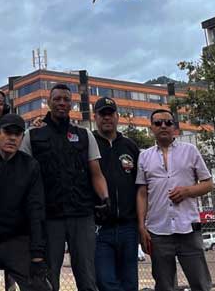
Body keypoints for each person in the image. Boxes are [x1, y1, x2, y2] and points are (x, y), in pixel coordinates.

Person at [20, 84, 110, 291]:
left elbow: (96, 173)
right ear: (49, 102)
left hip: (82, 214)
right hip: (49, 217)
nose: (62, 103)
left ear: (72, 104)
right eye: (57, 99)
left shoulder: (85, 135)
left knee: (88, 277)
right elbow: (23, 178)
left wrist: (105, 199)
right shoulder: (32, 135)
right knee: (49, 278)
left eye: (66, 99)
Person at [135, 108, 213, 291]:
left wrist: (188, 191)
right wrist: (141, 225)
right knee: (164, 285)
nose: (163, 126)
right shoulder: (144, 157)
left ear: (175, 127)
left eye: (168, 122)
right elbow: (142, 193)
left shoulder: (190, 151)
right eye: (158, 123)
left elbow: (208, 184)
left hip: (188, 229)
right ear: (151, 128)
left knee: (200, 283)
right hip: (158, 230)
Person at [0, 113, 48, 291]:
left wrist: (37, 253)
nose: (12, 137)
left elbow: (36, 209)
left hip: (17, 241)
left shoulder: (31, 166)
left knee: (39, 286)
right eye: (7, 132)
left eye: (17, 134)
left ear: (22, 137)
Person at [91, 97, 141, 291]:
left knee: (130, 282)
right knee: (105, 281)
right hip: (100, 228)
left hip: (129, 227)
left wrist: (141, 223)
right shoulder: (89, 143)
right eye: (102, 114)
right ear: (95, 117)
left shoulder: (130, 146)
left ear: (117, 116)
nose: (106, 118)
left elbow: (141, 187)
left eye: (110, 114)